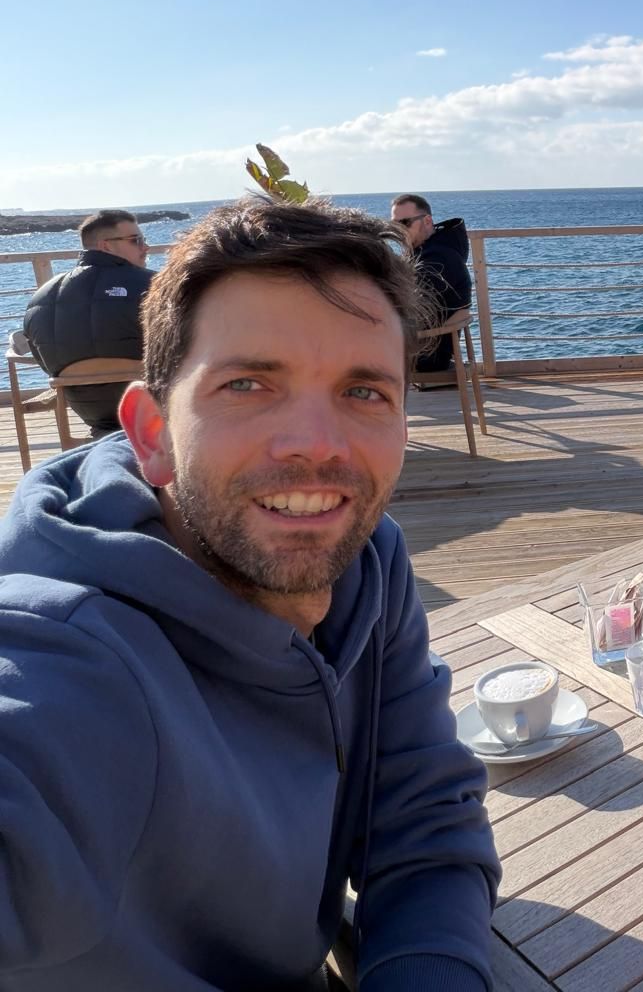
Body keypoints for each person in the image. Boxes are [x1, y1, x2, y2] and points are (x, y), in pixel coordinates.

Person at [0, 197, 501, 990]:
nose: (317, 444)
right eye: (247, 384)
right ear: (153, 433)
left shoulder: (366, 559)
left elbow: (422, 815)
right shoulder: (71, 659)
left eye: (365, 392)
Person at [22, 209, 156, 436]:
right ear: (106, 246)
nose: (146, 247)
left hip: (90, 411)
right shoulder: (154, 285)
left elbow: (45, 363)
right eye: (136, 240)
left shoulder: (43, 296)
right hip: (153, 405)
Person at [390, 194, 472, 376]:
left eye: (404, 223)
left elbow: (408, 306)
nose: (398, 232)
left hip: (427, 354)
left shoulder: (437, 260)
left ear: (427, 221)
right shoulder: (433, 249)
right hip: (426, 346)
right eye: (394, 226)